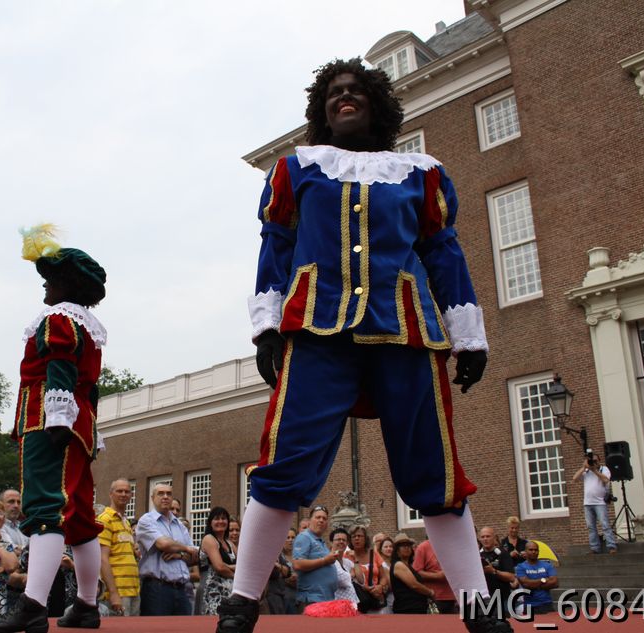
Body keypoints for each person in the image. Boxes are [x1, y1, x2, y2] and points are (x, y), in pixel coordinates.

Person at [218, 57, 501, 633]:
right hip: (316, 329)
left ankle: (477, 606)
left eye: (355, 90)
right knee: (284, 459)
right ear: (321, 110)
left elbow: (443, 252)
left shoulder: (420, 173)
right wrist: (266, 326)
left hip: (407, 331)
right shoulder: (297, 169)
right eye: (334, 92)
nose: (344, 97)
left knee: (435, 469)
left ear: (377, 105)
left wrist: (468, 335)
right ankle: (242, 601)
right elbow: (276, 246)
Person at [0, 226, 109, 632]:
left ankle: (33, 605)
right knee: (80, 516)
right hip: (77, 424)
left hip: (47, 420)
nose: (44, 287)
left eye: (50, 279)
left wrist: (57, 418)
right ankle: (86, 605)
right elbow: (90, 387)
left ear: (66, 284)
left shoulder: (58, 318)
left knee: (44, 508)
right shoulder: (87, 326)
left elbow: (60, 367)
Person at [135, 483, 198, 616]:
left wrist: (180, 555)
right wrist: (185, 548)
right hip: (157, 590)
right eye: (161, 493)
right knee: (157, 626)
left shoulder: (180, 525)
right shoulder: (146, 521)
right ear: (152, 498)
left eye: (169, 494)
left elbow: (194, 556)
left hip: (182, 590)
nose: (165, 497)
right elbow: (163, 544)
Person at [96, 478, 140, 617]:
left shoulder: (126, 522)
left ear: (131, 495)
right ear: (111, 494)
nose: (123, 494)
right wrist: (113, 593)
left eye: (127, 491)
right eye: (119, 491)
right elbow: (102, 558)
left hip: (133, 590)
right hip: (118, 592)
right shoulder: (105, 519)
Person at [291, 506, 340, 611]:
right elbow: (297, 564)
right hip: (311, 599)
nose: (321, 520)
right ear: (310, 521)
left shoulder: (320, 541)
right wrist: (325, 560)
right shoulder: (304, 537)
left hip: (325, 599)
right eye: (318, 517)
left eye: (324, 518)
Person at [572, 451, 617, 554]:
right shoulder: (586, 471)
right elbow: (574, 478)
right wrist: (584, 467)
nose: (594, 463)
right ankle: (595, 548)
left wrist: (595, 470)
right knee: (591, 527)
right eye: (592, 461)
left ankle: (611, 546)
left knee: (605, 525)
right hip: (587, 503)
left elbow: (606, 480)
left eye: (595, 461)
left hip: (600, 502)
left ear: (599, 461)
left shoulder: (604, 469)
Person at [195, 507, 237, 615]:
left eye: (223, 518)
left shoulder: (230, 543)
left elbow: (242, 565)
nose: (220, 521)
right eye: (217, 518)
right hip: (211, 592)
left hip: (229, 593)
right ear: (210, 522)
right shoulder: (209, 539)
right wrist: (236, 575)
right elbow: (219, 567)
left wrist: (229, 566)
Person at [389, 533, 433, 614]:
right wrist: (430, 592)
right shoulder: (398, 565)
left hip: (417, 608)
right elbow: (414, 585)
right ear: (397, 550)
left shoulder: (409, 566)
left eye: (408, 545)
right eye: (403, 546)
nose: (407, 547)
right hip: (407, 610)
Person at [348, 525, 388, 613]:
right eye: (353, 536)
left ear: (365, 538)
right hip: (358, 601)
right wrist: (364, 588)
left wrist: (380, 586)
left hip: (375, 598)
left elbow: (383, 576)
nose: (357, 538)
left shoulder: (373, 554)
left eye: (359, 536)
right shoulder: (347, 557)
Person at [412, 535, 454, 613]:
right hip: (435, 598)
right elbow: (416, 573)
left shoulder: (452, 545)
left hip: (457, 597)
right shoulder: (423, 547)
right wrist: (437, 576)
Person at [478, 527, 516, 613]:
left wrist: (494, 571)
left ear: (494, 537)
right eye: (483, 537)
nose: (485, 539)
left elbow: (511, 577)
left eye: (488, 536)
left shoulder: (503, 554)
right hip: (484, 599)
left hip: (503, 599)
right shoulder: (477, 555)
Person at [514, 541, 556, 615]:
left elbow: (555, 583)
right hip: (529, 605)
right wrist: (544, 580)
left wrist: (533, 584)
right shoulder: (520, 567)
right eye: (531, 550)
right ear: (525, 551)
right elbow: (526, 584)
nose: (533, 552)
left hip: (547, 604)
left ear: (538, 552)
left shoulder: (547, 565)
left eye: (536, 550)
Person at [264, 527, 297, 614]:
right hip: (271, 595)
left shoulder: (276, 552)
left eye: (293, 537)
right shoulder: (264, 551)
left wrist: (279, 567)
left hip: (281, 594)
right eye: (287, 537)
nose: (290, 540)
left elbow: (287, 571)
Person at [377, 537, 395, 613]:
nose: (389, 549)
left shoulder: (394, 563)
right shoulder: (381, 564)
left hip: (396, 598)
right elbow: (390, 584)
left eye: (391, 546)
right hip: (387, 600)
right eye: (386, 547)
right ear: (381, 549)